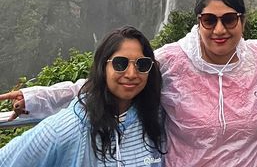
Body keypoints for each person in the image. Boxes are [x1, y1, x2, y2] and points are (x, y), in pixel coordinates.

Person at [0, 0, 257, 167]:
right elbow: (109, 80)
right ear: (198, 21)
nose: (220, 29)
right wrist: (36, 98)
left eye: (229, 19)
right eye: (209, 20)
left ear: (242, 21)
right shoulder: (171, 60)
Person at [0, 26, 165, 166]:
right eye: (120, 63)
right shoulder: (68, 129)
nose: (131, 74)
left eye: (141, 64)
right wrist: (34, 98)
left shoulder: (155, 116)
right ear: (102, 67)